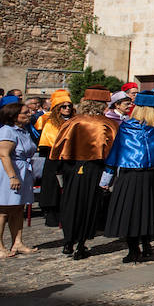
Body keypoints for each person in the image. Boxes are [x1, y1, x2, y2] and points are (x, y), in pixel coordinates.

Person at [103, 91, 154, 262]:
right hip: (150, 177)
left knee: (130, 213)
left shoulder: (127, 127)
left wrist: (106, 178)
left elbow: (115, 155)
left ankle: (134, 249)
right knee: (147, 211)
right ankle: (146, 245)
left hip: (129, 177)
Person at [52, 87, 119, 258]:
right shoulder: (106, 123)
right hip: (95, 168)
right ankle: (81, 243)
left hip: (73, 168)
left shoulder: (73, 122)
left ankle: (68, 241)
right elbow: (113, 148)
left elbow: (59, 146)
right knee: (89, 205)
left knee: (71, 202)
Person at [0, 99, 38, 259]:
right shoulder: (6, 131)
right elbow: (4, 155)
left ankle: (17, 242)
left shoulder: (23, 130)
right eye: (25, 112)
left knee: (17, 209)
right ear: (14, 116)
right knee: (2, 210)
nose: (29, 114)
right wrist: (12, 176)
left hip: (22, 170)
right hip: (7, 172)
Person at [33, 90, 74, 226]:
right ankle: (53, 216)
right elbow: (48, 143)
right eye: (63, 106)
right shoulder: (51, 123)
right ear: (57, 108)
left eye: (69, 106)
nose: (67, 109)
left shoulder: (75, 121)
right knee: (53, 189)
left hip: (71, 159)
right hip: (54, 160)